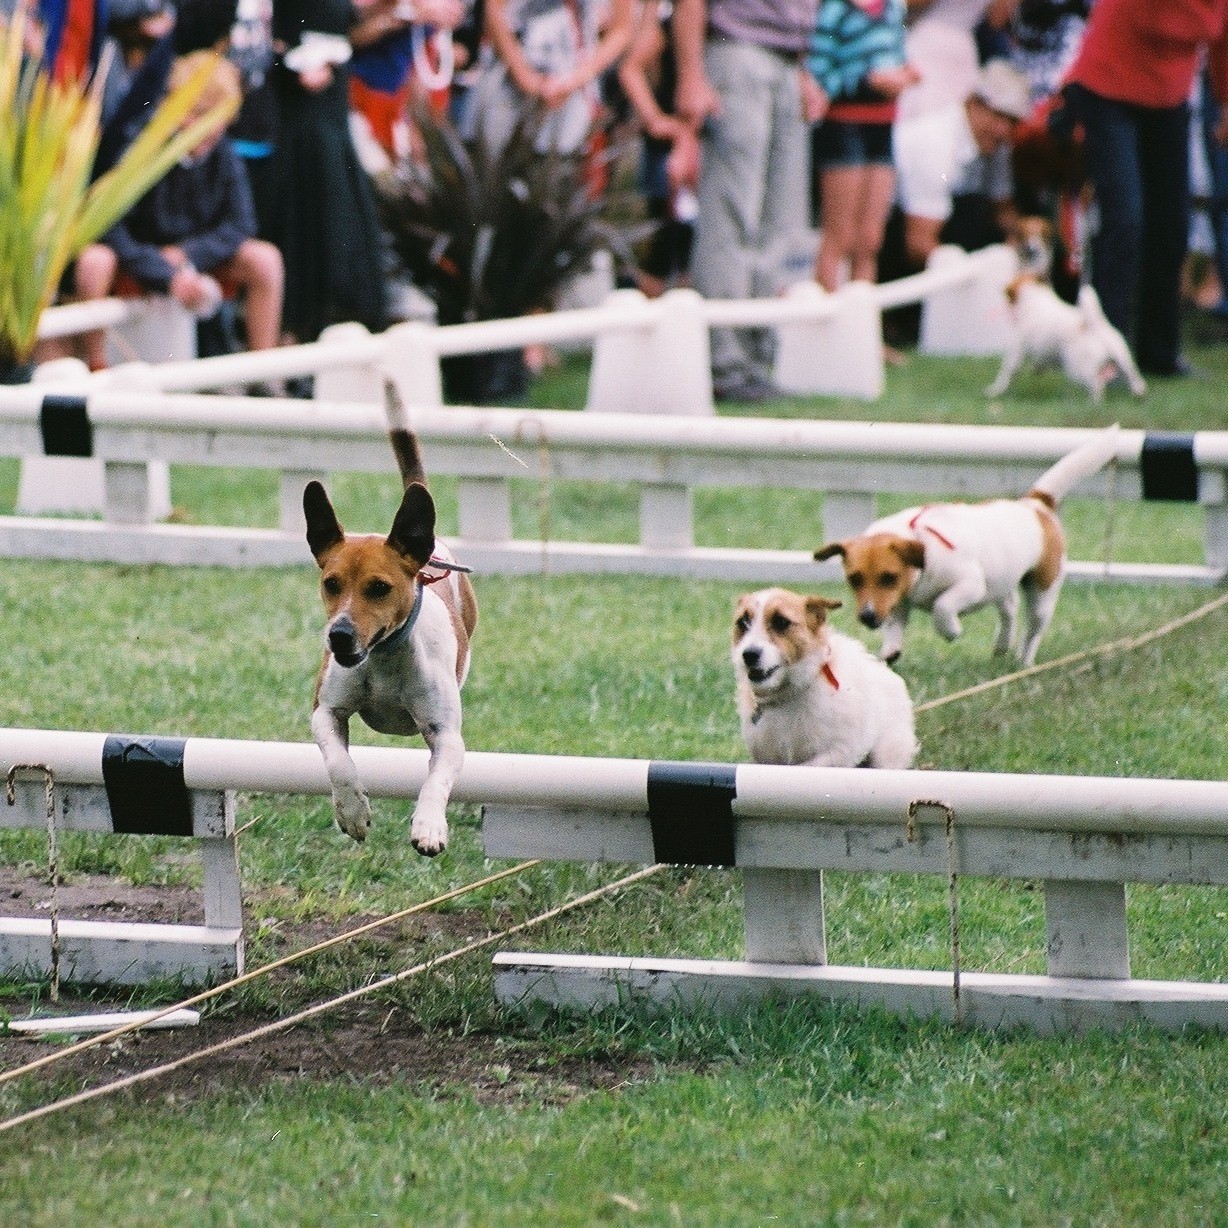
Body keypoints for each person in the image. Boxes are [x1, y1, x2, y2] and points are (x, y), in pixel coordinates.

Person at [72, 52, 284, 370]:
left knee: (265, 259)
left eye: (215, 117)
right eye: (196, 114)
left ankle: (263, 373)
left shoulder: (224, 154)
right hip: (140, 258)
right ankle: (95, 364)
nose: (205, 128)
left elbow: (241, 223)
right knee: (93, 262)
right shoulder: (141, 146)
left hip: (194, 257)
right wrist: (162, 271)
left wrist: (187, 255)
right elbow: (110, 226)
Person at [1062, 0, 1228, 379]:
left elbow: (1223, 40)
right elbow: (1171, 20)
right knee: (1125, 218)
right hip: (1108, 85)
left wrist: (1225, 102)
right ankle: (1104, 354)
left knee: (1172, 226)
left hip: (1169, 97)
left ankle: (1160, 354)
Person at [673, 0, 818, 403]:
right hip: (736, 51)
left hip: (787, 60)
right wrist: (691, 75)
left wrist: (803, 69)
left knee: (780, 224)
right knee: (731, 216)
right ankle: (723, 362)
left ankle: (756, 360)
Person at [262, 0, 388, 344]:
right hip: (298, 102)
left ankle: (336, 319)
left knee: (337, 201)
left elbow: (351, 19)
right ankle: (295, 326)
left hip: (331, 98)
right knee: (306, 203)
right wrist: (293, 60)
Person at [806, 0, 918, 293]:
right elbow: (818, 67)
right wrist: (864, 81)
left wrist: (905, 75)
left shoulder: (893, 7)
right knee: (839, 235)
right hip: (844, 125)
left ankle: (864, 329)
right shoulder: (834, 8)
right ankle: (827, 328)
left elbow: (896, 54)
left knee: (870, 239)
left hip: (882, 126)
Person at [891, 56, 1029, 271]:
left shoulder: (996, 143)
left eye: (1012, 121)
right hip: (897, 238)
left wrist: (1021, 244)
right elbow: (917, 245)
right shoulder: (934, 143)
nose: (1004, 130)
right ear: (973, 103)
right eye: (998, 116)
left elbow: (1003, 209)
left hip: (942, 237)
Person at [471, 0, 634, 159]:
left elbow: (622, 29)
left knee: (556, 166)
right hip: (506, 79)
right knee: (488, 160)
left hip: (572, 87)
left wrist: (575, 80)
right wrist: (524, 76)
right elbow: (492, 10)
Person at [618, 0, 700, 296]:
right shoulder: (667, 27)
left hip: (699, 147)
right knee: (666, 246)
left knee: (690, 247)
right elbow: (630, 69)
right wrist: (656, 120)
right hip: (667, 150)